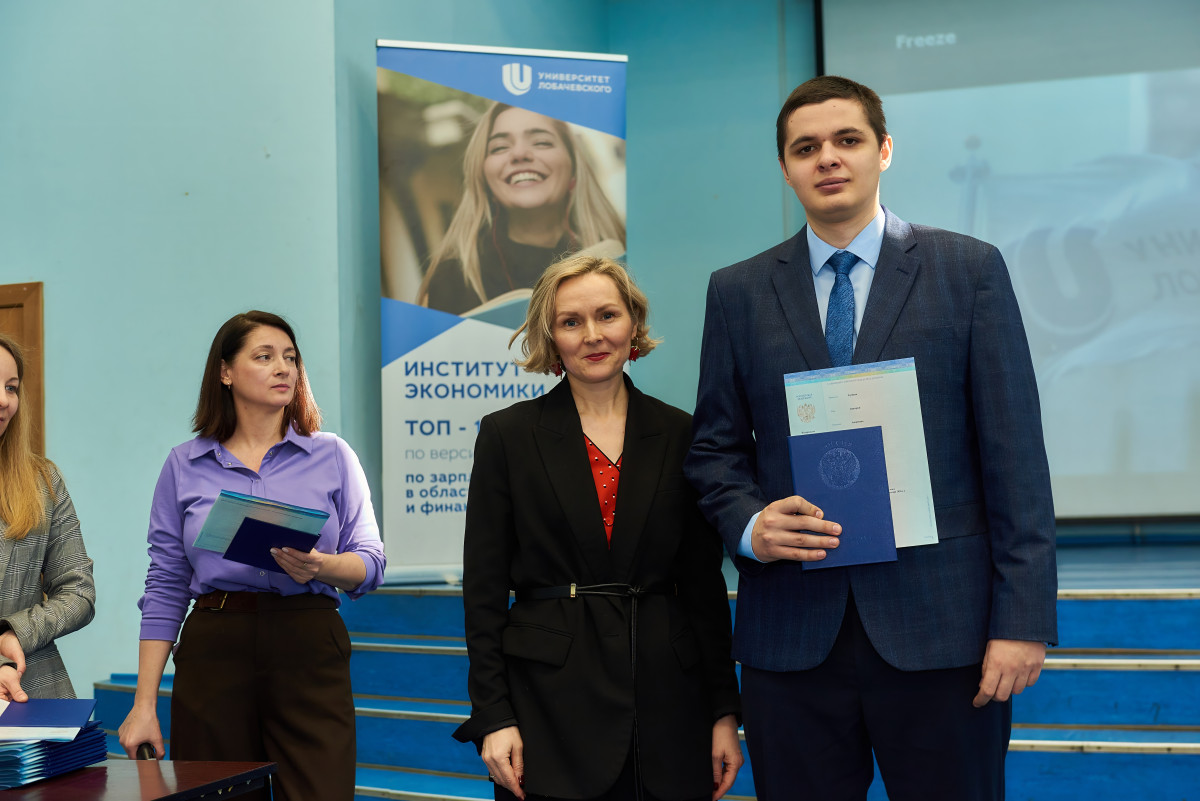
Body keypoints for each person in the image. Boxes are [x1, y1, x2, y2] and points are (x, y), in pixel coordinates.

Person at [684, 76, 1058, 800]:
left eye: (847, 140)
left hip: (944, 632)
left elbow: (1015, 456)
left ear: (883, 150)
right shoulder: (737, 291)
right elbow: (714, 448)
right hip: (792, 637)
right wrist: (751, 524)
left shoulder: (968, 270)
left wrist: (1022, 620)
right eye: (806, 148)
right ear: (786, 168)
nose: (827, 158)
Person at [453, 255, 742, 801]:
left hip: (670, 708)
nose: (592, 335)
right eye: (571, 321)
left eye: (607, 315)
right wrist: (493, 715)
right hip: (547, 708)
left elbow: (703, 589)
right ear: (550, 337)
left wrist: (723, 712)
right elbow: (484, 592)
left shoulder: (682, 433)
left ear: (633, 323)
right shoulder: (507, 437)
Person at [117, 311, 385, 801]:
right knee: (216, 793)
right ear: (225, 372)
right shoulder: (184, 463)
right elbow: (166, 584)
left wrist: (321, 565)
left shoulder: (333, 455)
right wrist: (144, 703)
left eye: (290, 358)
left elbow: (371, 562)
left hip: (308, 641)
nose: (283, 368)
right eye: (264, 357)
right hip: (215, 646)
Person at [418, 102, 626, 315]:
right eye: (500, 147)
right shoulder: (451, 282)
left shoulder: (626, 255)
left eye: (542, 142)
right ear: (484, 178)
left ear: (573, 167)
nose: (519, 154)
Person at [0, 334, 95, 701]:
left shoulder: (42, 480)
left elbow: (79, 592)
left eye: (11, 387)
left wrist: (15, 632)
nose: (4, 400)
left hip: (32, 691)